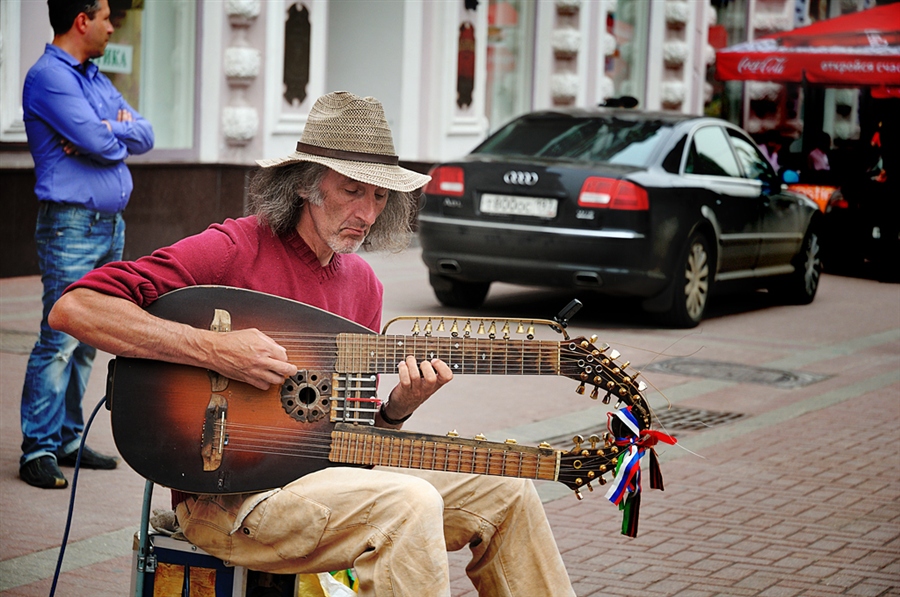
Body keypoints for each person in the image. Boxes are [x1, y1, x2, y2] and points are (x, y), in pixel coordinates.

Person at [49, 91, 576, 596]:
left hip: (320, 483)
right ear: (306, 184)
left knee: (505, 488)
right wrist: (212, 349)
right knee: (409, 502)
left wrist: (395, 410)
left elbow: (343, 440)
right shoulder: (234, 250)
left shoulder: (363, 285)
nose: (368, 213)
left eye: (379, 195)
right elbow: (75, 308)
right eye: (352, 189)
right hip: (225, 500)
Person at [18, 0, 154, 489]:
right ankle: (38, 447)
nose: (112, 26)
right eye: (105, 17)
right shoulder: (49, 77)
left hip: (108, 225)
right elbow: (100, 144)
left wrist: (108, 129)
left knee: (91, 337)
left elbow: (145, 134)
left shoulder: (93, 77)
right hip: (71, 226)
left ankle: (70, 439)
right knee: (59, 338)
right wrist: (107, 133)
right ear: (82, 21)